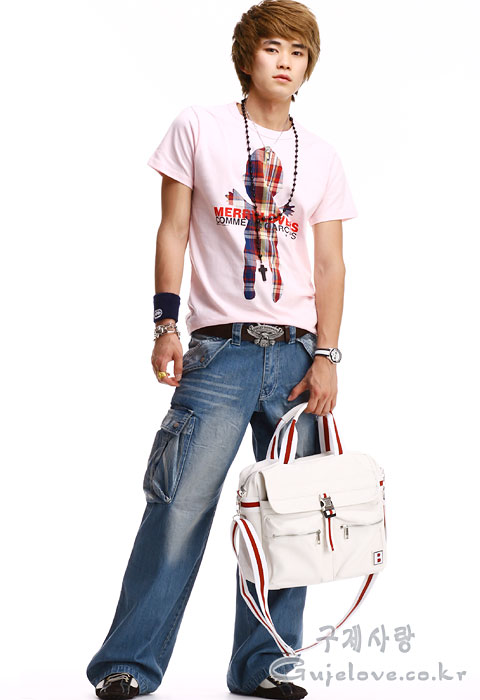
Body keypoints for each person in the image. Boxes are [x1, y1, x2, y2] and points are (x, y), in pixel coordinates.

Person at [86, 1, 358, 698]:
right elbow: (172, 231)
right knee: (177, 509)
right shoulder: (199, 127)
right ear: (247, 56)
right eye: (273, 48)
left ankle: (266, 666)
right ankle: (128, 665)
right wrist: (164, 325)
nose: (285, 61)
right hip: (219, 352)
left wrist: (327, 356)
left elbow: (330, 265)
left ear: (308, 66)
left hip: (297, 357)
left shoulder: (321, 155)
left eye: (298, 52)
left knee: (290, 518)